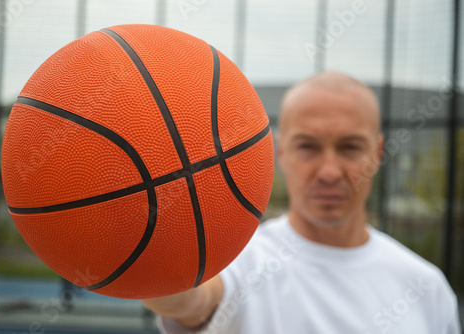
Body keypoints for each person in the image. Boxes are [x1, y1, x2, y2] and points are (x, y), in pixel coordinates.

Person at [141, 71, 461, 333]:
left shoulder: (425, 286)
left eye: (350, 147)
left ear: (377, 154)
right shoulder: (239, 261)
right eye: (308, 147)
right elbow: (192, 301)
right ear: (281, 152)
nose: (330, 172)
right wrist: (140, 236)